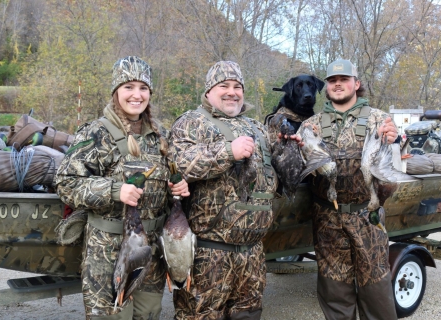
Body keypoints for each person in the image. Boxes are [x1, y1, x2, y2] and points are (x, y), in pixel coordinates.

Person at [55, 56, 190, 320]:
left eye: (143, 88)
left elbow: (168, 180)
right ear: (116, 91)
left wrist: (177, 187)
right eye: (128, 87)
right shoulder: (96, 133)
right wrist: (115, 191)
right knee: (112, 316)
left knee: (148, 313)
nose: (136, 95)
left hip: (150, 251)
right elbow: (66, 182)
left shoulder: (160, 134)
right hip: (108, 252)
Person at [168, 61, 278, 320]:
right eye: (224, 86)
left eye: (237, 86)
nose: (232, 92)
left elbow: (278, 172)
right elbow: (178, 164)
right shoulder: (190, 122)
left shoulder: (257, 128)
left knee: (248, 315)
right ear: (208, 92)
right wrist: (228, 151)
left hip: (253, 253)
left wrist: (291, 146)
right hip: (209, 254)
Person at [295, 59, 399, 320]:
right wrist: (292, 148)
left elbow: (396, 163)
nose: (337, 84)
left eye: (343, 79)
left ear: (357, 83)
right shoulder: (311, 125)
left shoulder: (379, 119)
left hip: (368, 219)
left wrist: (398, 140)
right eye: (332, 80)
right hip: (327, 221)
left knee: (376, 293)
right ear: (326, 87)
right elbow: (299, 168)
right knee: (335, 294)